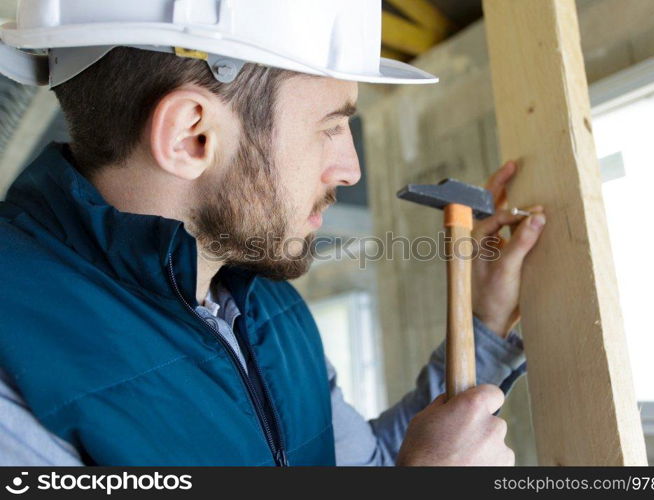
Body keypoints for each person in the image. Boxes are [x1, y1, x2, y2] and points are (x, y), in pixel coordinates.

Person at [0, 0, 545, 466]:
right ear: (193, 136)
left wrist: (486, 324)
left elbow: (374, 466)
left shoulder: (269, 312)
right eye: (331, 127)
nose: (349, 169)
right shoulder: (14, 380)